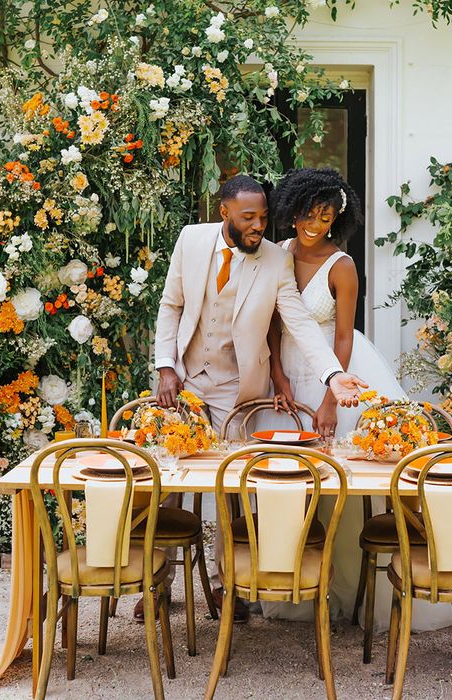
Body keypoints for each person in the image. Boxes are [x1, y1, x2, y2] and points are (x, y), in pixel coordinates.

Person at [146, 174, 368, 622]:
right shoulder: (190, 240)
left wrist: (333, 375)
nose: (258, 226)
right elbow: (171, 305)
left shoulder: (274, 260)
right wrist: (166, 365)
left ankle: (230, 587)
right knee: (165, 483)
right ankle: (155, 585)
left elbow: (301, 323)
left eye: (264, 217)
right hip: (184, 376)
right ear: (223, 211)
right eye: (248, 217)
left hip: (237, 387)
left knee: (236, 488)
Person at [260, 167, 408, 628]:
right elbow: (269, 321)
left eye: (324, 217)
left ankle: (345, 589)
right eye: (307, 213)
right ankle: (290, 585)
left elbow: (342, 337)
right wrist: (276, 373)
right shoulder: (277, 253)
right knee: (286, 481)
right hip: (283, 372)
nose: (313, 224)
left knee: (337, 481)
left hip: (333, 375)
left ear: (335, 220)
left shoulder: (342, 266)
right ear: (292, 210)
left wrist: (330, 396)